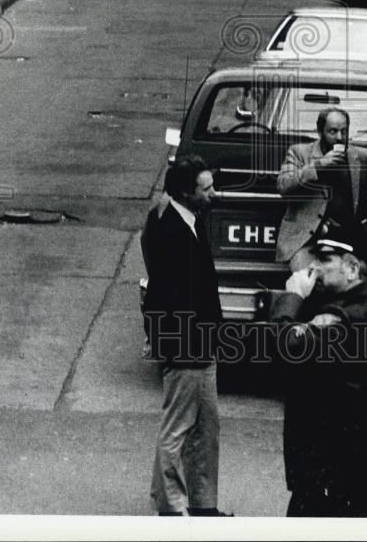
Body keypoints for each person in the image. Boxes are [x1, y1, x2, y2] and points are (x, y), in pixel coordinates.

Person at [269, 220, 367, 516]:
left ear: (353, 268)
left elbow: (283, 348)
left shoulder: (338, 319)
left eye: (325, 260)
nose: (314, 267)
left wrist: (292, 297)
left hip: (331, 474)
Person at [140, 156, 230, 517]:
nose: (214, 194)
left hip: (200, 343)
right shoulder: (172, 230)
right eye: (205, 189)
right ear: (185, 193)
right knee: (178, 429)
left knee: (206, 427)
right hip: (188, 345)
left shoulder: (183, 218)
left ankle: (203, 505)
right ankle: (171, 506)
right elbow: (177, 296)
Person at [275, 107, 367, 267]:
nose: (339, 137)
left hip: (347, 237)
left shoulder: (361, 156)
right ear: (320, 132)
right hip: (308, 240)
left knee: (353, 281)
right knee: (307, 281)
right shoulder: (299, 152)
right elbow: (284, 185)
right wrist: (318, 165)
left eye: (344, 131)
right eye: (333, 132)